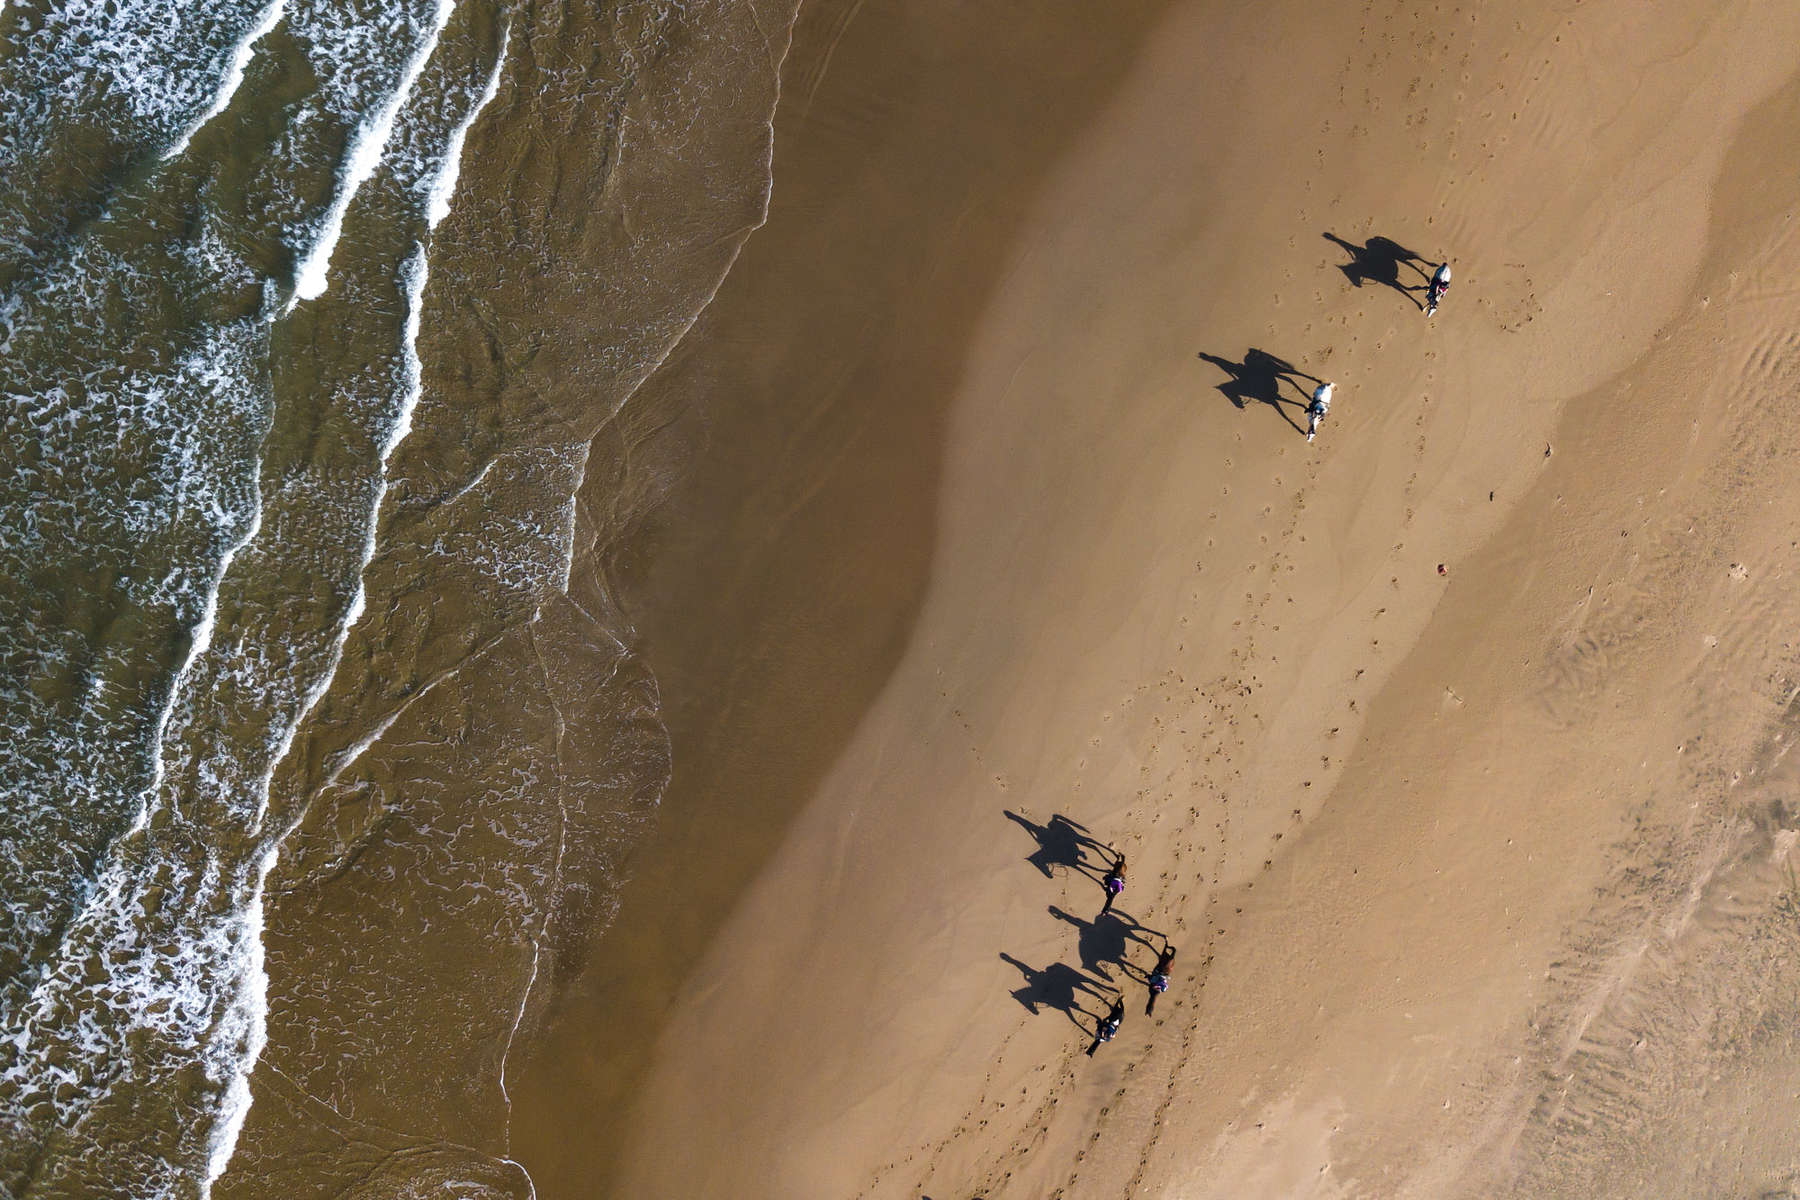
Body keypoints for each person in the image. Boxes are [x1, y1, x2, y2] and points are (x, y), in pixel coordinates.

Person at [1145, 944, 1177, 1015]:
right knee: (1155, 972)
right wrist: (1148, 977)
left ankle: (1167, 951)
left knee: (1157, 971)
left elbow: (1165, 986)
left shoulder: (1161, 989)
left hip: (1163, 976)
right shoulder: (1152, 989)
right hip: (1159, 975)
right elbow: (1152, 980)